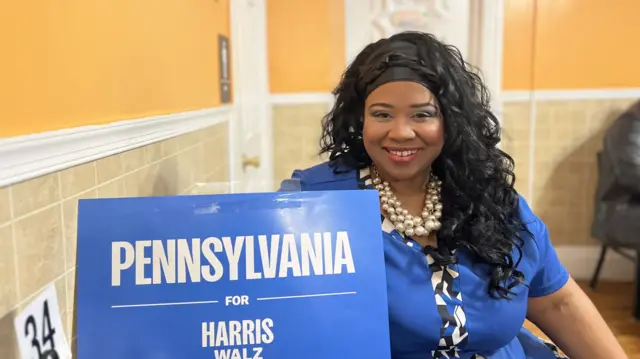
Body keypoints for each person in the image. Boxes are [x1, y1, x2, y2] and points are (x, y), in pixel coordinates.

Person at [279, 32, 627, 359]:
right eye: (382, 114)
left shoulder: (490, 200)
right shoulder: (312, 204)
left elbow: (556, 302)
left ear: (451, 121)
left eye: (422, 114)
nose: (400, 132)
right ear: (360, 119)